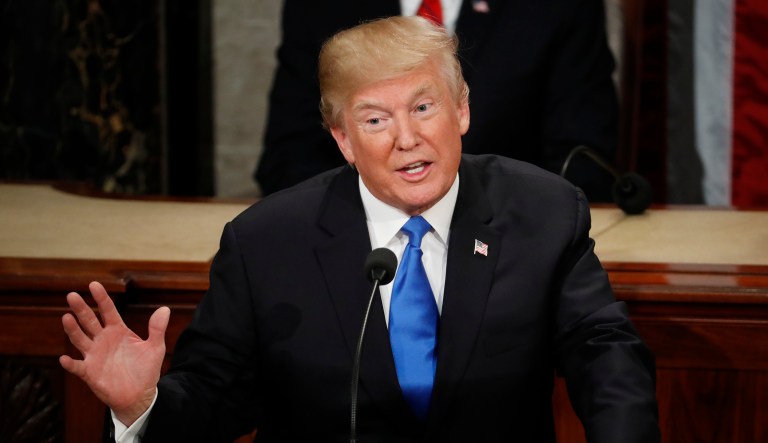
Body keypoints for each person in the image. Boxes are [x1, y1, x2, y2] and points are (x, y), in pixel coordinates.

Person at [60, 16, 659, 442]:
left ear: (463, 110)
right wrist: (145, 404)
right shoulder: (267, 243)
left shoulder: (544, 212)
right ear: (343, 140)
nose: (407, 138)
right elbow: (218, 397)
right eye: (376, 119)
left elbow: (603, 352)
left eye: (424, 107)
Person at [256, 0, 619, 202]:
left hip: (510, 239)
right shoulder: (317, 8)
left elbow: (584, 159)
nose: (408, 140)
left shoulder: (559, 8)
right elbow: (289, 155)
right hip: (357, 242)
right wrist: (370, 224)